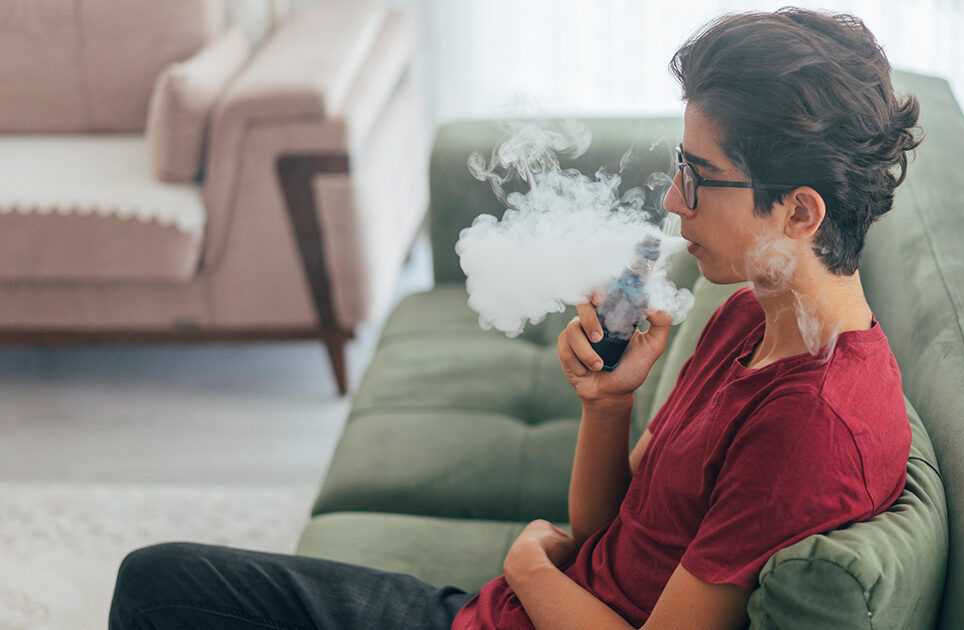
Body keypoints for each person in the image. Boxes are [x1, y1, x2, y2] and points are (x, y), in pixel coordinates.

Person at [108, 7, 921, 630]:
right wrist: (606, 405)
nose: (674, 201)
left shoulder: (809, 428)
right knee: (159, 581)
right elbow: (609, 529)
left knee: (160, 591)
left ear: (800, 212)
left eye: (700, 176)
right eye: (680, 166)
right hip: (494, 611)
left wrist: (530, 571)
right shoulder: (748, 319)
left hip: (515, 604)